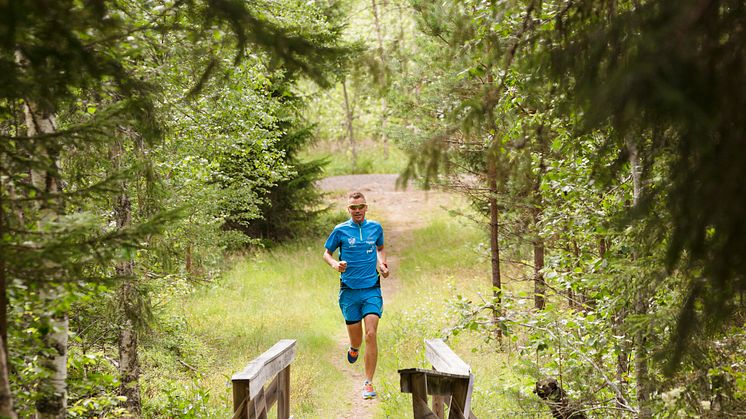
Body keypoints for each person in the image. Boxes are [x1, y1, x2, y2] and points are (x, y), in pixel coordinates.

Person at [323, 191, 389, 400]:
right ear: (348, 209)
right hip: (349, 291)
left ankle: (368, 383)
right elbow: (326, 253)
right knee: (357, 340)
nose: (357, 210)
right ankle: (353, 348)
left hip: (371, 289)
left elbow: (380, 248)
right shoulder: (340, 230)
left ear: (366, 207)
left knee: (371, 333)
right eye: (353, 207)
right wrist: (335, 264)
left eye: (361, 206)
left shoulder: (375, 228)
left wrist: (382, 263)